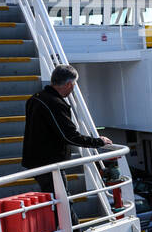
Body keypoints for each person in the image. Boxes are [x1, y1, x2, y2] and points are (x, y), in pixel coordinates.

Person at [22, 65, 113, 195]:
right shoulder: (54, 103)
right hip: (48, 163)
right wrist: (99, 142)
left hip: (37, 161)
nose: (74, 86)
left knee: (56, 201)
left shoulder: (36, 98)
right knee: (61, 203)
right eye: (74, 83)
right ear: (69, 84)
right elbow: (70, 136)